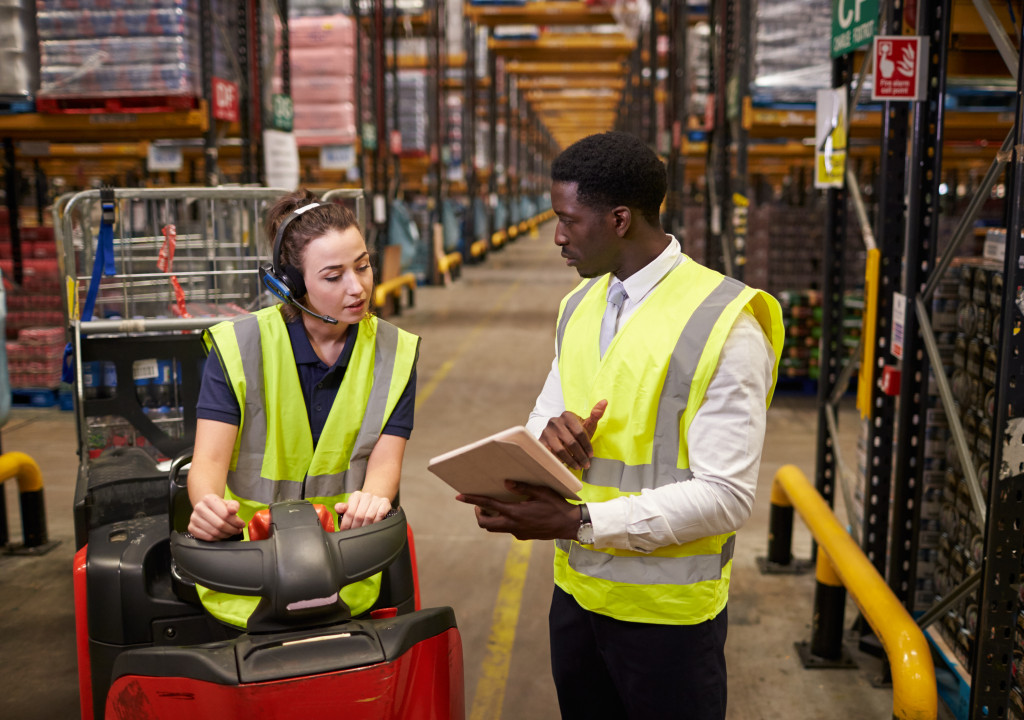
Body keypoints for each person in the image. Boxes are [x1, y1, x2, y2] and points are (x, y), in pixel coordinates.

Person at [456, 131, 784, 720]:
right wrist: (541, 447)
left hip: (668, 620)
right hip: (579, 597)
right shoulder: (580, 305)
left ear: (621, 220)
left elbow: (727, 497)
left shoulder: (726, 323)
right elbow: (541, 416)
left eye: (567, 219)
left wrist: (577, 521)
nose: (556, 235)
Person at [187, 189, 420, 629]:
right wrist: (209, 507)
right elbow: (208, 465)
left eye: (363, 266)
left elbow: (386, 463)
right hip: (247, 571)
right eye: (333, 276)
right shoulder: (241, 346)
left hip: (345, 569)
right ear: (290, 285)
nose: (358, 288)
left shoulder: (394, 351)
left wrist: (375, 500)